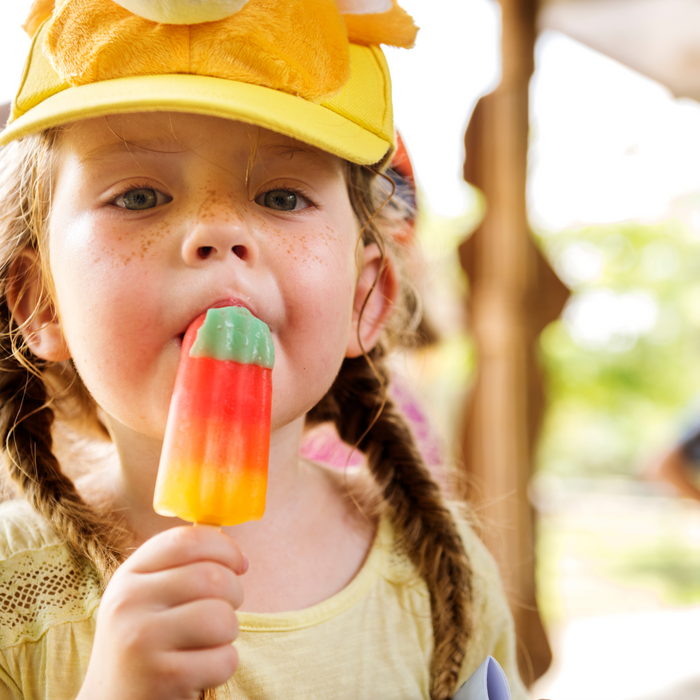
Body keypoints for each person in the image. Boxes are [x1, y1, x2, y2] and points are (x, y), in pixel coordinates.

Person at [0, 1, 527, 699]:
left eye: (281, 195)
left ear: (365, 298)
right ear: (39, 302)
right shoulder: (14, 593)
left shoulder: (445, 575)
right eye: (138, 196)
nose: (218, 231)